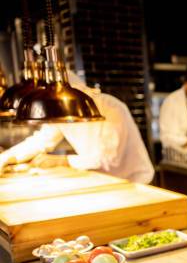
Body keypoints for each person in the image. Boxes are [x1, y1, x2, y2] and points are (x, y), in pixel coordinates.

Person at [0, 71, 154, 184]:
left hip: (135, 181)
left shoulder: (112, 107)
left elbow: (108, 159)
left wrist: (61, 161)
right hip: (102, 181)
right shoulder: (62, 111)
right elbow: (41, 141)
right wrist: (4, 158)